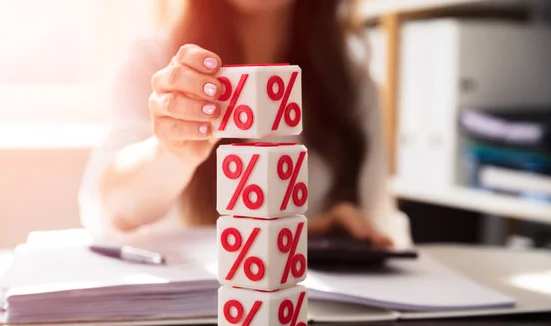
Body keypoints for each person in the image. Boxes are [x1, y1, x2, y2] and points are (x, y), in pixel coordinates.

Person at [78, 0, 412, 248]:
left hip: (311, 320)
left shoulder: (353, 86)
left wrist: (322, 235)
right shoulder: (154, 62)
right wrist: (172, 152)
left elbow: (381, 224)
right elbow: (109, 210)